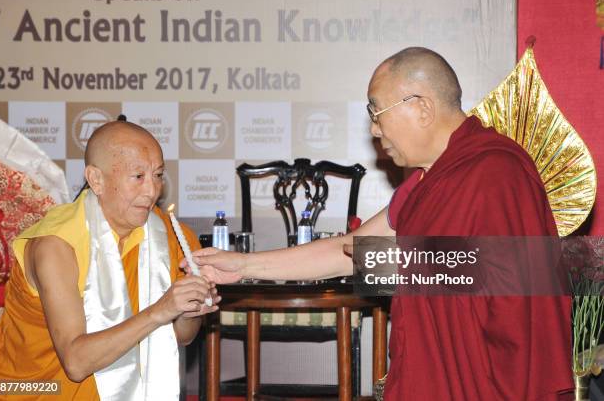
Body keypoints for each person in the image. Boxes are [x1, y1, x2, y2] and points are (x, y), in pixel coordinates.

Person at [191, 47, 573, 400]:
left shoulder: (497, 172)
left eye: (377, 112)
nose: (374, 130)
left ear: (421, 107)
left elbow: (515, 285)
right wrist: (243, 266)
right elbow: (347, 251)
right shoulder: (426, 182)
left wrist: (391, 262)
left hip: (487, 381)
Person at [0, 121, 220, 400]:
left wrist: (190, 308)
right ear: (96, 180)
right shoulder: (55, 246)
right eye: (138, 176)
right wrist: (160, 310)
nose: (152, 191)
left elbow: (182, 336)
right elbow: (76, 363)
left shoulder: (174, 237)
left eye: (158, 175)